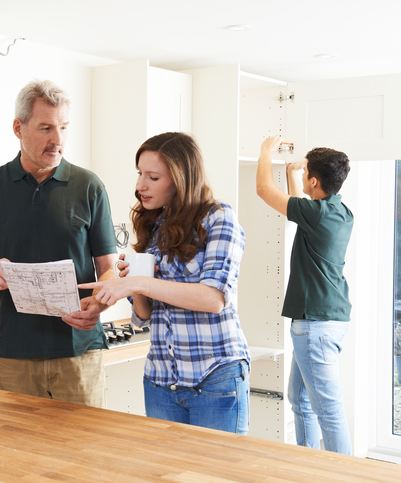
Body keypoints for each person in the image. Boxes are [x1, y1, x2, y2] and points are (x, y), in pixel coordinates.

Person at [0, 79, 118, 408]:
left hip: (80, 354)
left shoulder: (89, 187)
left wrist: (100, 304)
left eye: (63, 127)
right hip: (15, 357)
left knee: (83, 453)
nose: (57, 140)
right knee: (19, 457)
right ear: (19, 128)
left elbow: (110, 272)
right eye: (46, 128)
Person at [79, 132, 250, 434]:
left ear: (180, 179)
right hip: (161, 381)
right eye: (140, 174)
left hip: (214, 377)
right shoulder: (154, 226)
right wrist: (131, 281)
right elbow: (145, 315)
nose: (140, 186)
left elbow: (213, 299)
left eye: (153, 177)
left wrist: (139, 284)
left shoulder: (218, 219)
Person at [255, 135, 353, 454]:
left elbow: (263, 191)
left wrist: (265, 153)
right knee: (300, 400)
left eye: (307, 172)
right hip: (328, 319)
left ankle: (345, 474)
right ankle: (309, 464)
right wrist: (293, 173)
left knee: (328, 410)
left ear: (314, 180)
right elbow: (300, 208)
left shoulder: (317, 214)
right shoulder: (338, 211)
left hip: (315, 325)